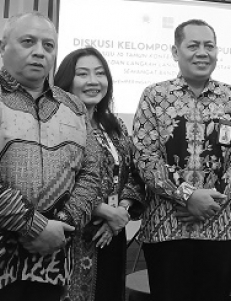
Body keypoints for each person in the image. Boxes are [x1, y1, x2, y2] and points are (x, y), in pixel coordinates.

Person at [0, 11, 103, 300]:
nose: (39, 52)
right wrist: (37, 226)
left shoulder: (75, 107)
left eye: (48, 45)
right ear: (3, 47)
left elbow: (91, 174)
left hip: (51, 261)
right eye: (28, 41)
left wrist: (61, 226)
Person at [132, 18, 231, 301]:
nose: (203, 52)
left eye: (209, 46)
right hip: (166, 227)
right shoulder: (154, 95)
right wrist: (188, 196)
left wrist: (212, 200)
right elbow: (145, 155)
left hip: (219, 227)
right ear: (176, 52)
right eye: (193, 45)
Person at [54, 47, 146, 301]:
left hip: (113, 233)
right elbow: (51, 182)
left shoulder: (114, 125)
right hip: (72, 234)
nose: (93, 81)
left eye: (100, 73)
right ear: (66, 81)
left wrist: (121, 211)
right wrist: (101, 211)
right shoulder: (56, 125)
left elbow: (134, 175)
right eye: (83, 74)